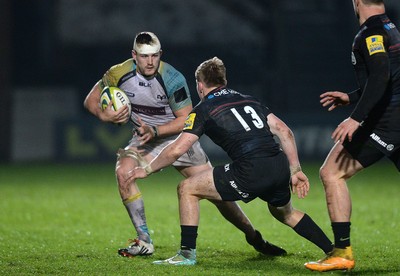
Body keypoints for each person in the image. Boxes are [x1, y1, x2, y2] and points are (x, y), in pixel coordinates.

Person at [83, 32, 288, 258]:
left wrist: (156, 130)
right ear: (134, 55)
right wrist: (106, 116)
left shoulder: (172, 78)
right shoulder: (118, 73)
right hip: (144, 140)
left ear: (160, 54)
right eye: (144, 56)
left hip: (178, 138)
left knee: (217, 194)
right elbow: (90, 100)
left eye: (154, 56)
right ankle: (144, 240)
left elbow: (185, 119)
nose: (150, 61)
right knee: (123, 173)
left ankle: (254, 237)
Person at [129, 57, 333, 265]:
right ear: (224, 81)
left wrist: (147, 169)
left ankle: (186, 255)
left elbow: (178, 149)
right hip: (279, 165)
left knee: (187, 189)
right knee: (287, 214)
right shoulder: (250, 100)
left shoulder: (202, 109)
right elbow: (284, 132)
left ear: (200, 85)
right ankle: (333, 251)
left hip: (250, 169)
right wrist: (296, 169)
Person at [304, 0, 400, 272]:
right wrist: (352, 97)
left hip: (386, 122)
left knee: (331, 173)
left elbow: (381, 75)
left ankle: (342, 252)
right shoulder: (391, 27)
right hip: (394, 117)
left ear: (356, 2)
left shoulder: (371, 33)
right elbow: (390, 77)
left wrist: (356, 117)